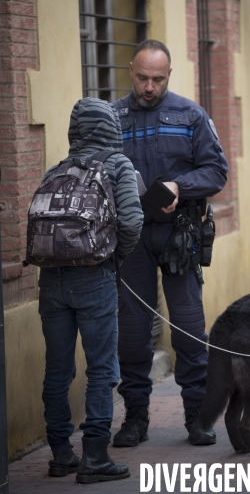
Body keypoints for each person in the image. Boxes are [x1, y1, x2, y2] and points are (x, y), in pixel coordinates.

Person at [112, 39, 228, 448]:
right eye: (142, 77)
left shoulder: (190, 114)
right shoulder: (113, 117)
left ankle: (198, 417)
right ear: (130, 70)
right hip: (130, 237)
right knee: (132, 329)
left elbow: (217, 170)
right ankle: (135, 419)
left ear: (169, 76)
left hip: (180, 233)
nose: (149, 86)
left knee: (189, 327)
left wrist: (181, 183)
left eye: (157, 79)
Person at [37, 98, 143, 483]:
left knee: (58, 370)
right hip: (94, 277)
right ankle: (95, 457)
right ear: (111, 128)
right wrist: (113, 258)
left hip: (50, 281)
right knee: (102, 369)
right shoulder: (117, 165)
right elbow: (132, 221)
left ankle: (60, 454)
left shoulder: (56, 168)